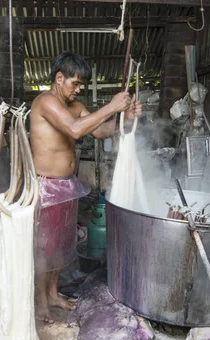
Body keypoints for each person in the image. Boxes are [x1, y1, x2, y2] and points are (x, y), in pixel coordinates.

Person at [30, 51, 142, 322]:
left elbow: (99, 130)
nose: (79, 89)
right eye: (75, 83)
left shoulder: (76, 105)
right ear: (59, 78)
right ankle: (41, 300)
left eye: (80, 84)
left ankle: (54, 292)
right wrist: (112, 106)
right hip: (46, 186)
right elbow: (76, 130)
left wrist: (122, 119)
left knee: (58, 245)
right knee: (43, 247)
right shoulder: (45, 101)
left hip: (66, 187)